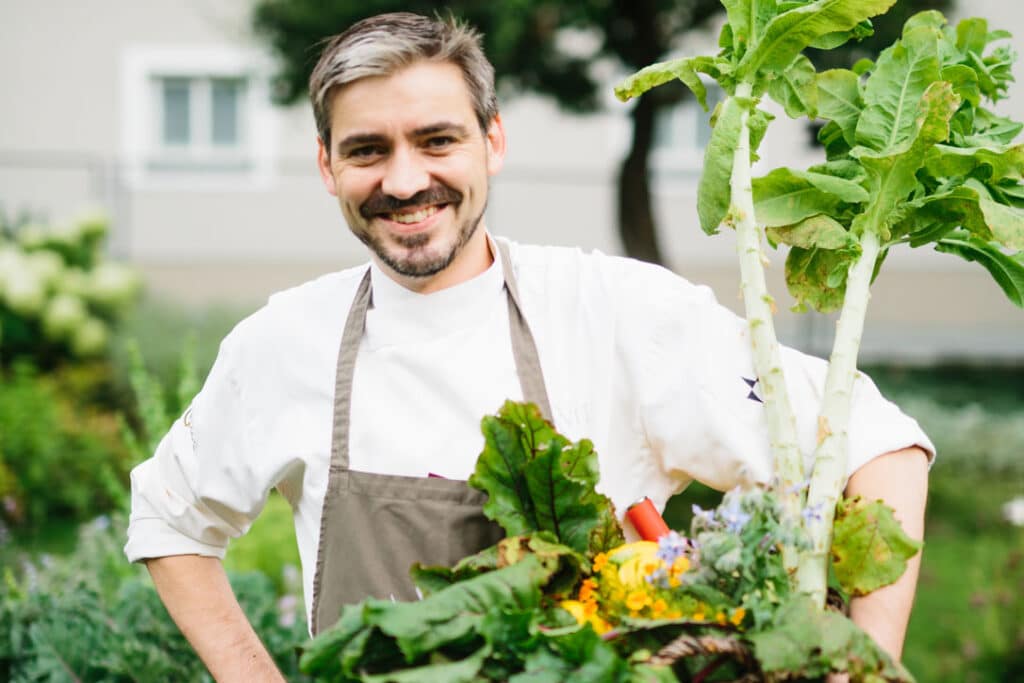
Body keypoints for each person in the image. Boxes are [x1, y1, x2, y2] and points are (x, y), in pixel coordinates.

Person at [125, 11, 933, 682]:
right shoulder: (285, 341)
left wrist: (864, 666)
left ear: (493, 142)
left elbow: (879, 442)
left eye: (437, 140)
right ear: (327, 167)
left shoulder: (612, 310)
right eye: (368, 149)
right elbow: (168, 518)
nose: (405, 182)